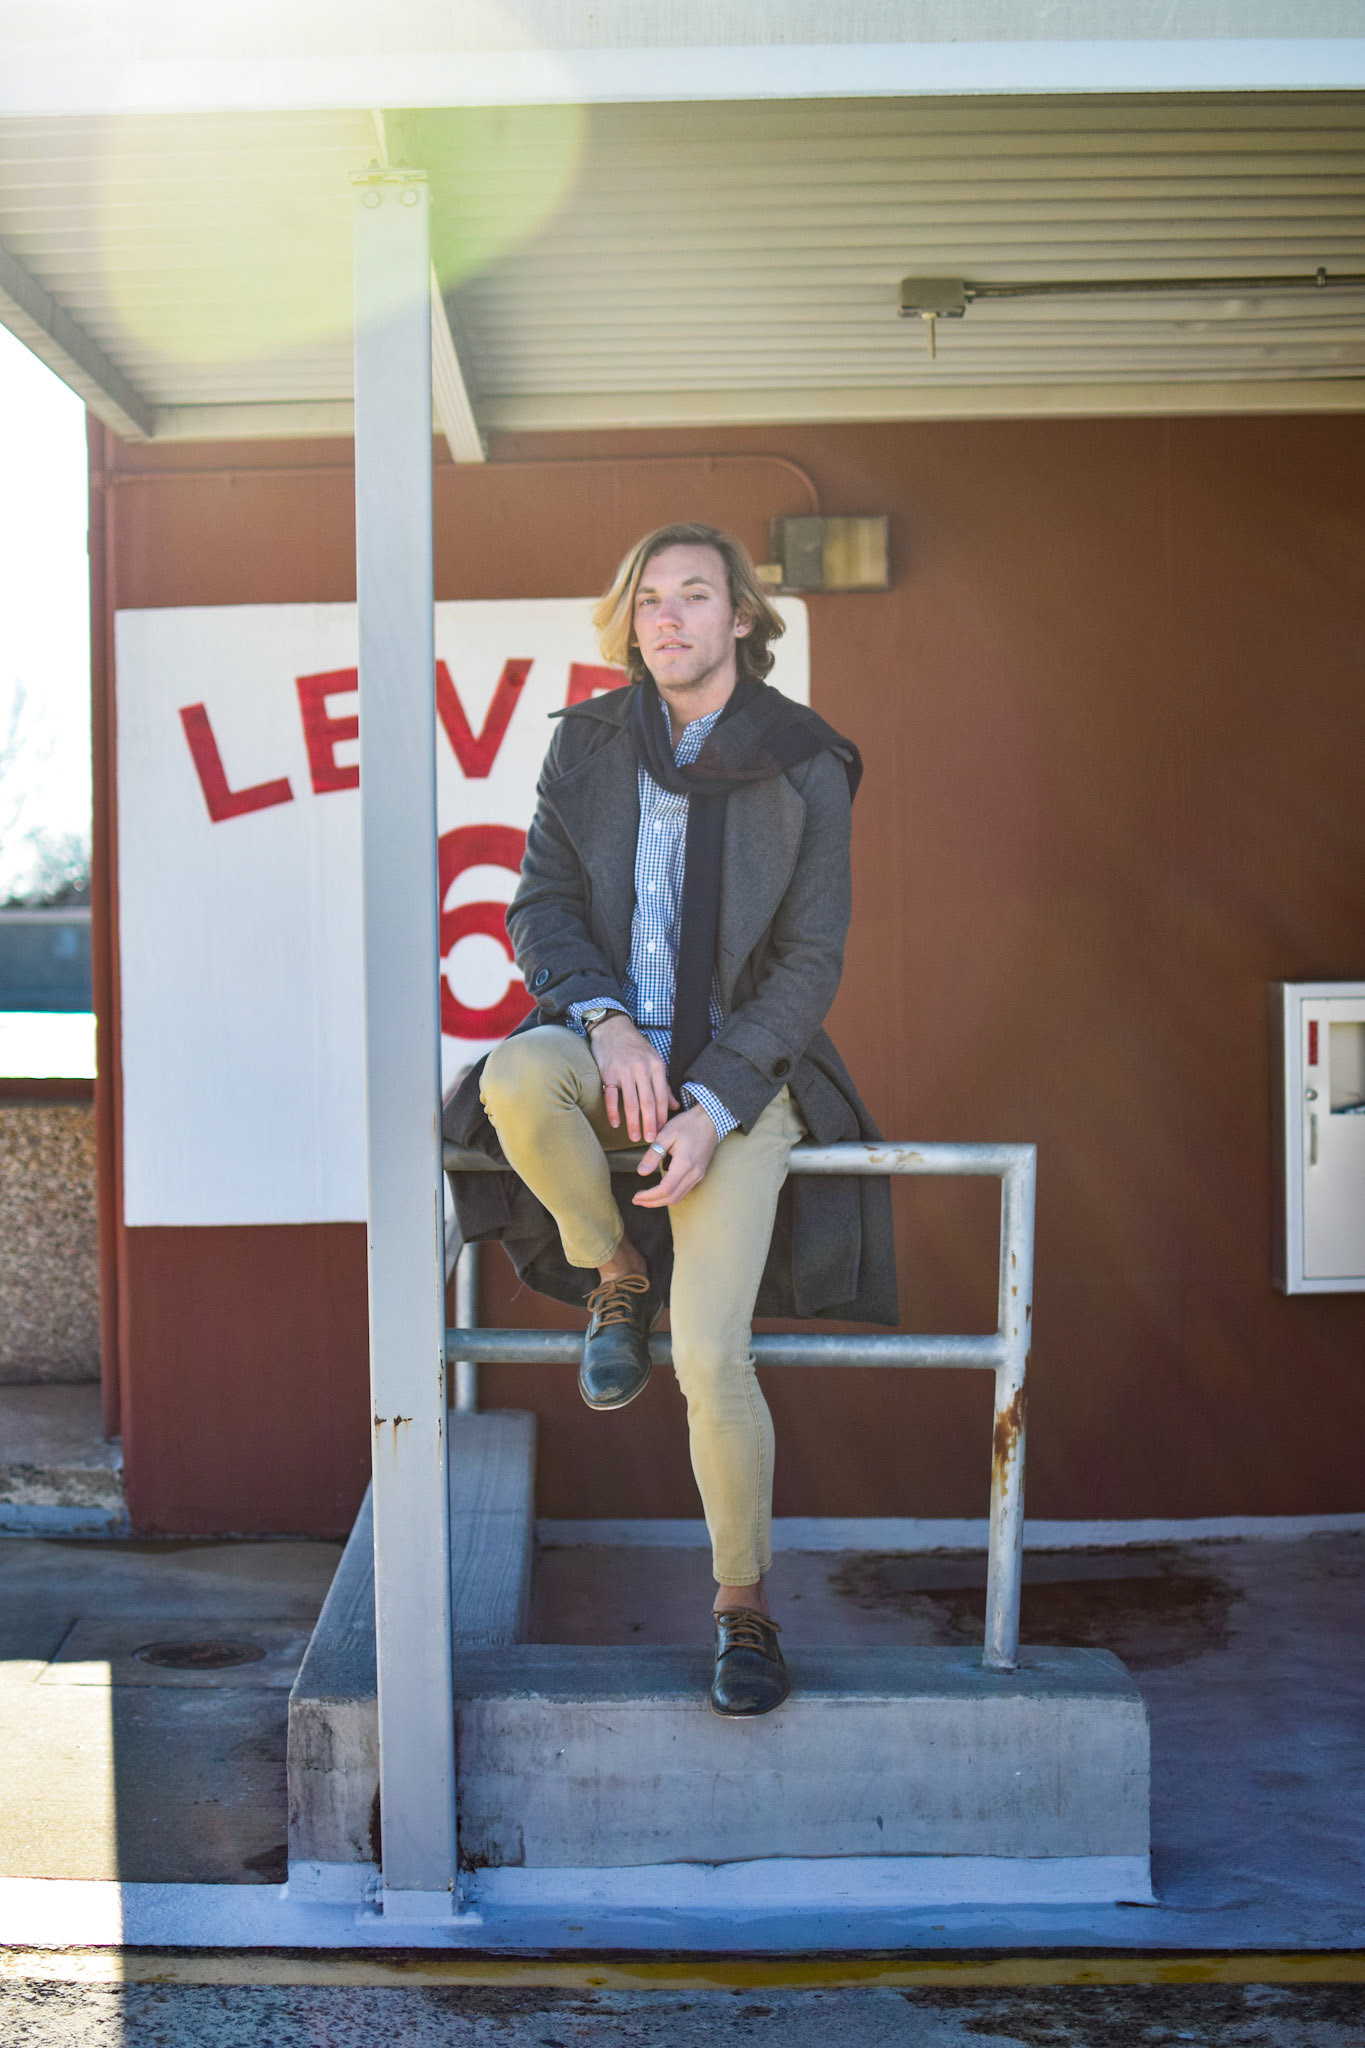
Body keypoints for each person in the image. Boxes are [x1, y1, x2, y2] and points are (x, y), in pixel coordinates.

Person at [444, 522, 896, 1717]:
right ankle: (614, 1272)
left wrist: (714, 1100)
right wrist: (605, 1022)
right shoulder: (589, 742)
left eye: (695, 594)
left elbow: (810, 960)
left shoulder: (806, 760)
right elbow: (540, 906)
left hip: (742, 1085)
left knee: (707, 1355)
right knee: (512, 1078)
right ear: (630, 622)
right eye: (650, 598)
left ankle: (744, 1610)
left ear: (741, 616)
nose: (669, 616)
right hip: (611, 1051)